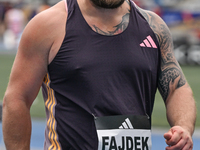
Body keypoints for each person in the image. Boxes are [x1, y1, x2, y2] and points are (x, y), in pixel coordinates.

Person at [2, 0, 196, 149]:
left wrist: (183, 127)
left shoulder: (154, 27)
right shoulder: (48, 25)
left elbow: (176, 88)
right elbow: (17, 99)